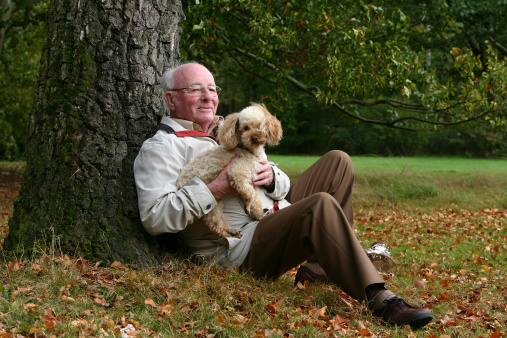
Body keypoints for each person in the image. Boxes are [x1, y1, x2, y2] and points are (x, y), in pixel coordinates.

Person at [133, 62, 433, 329]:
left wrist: (273, 177)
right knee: (319, 206)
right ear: (170, 99)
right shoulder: (163, 147)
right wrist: (216, 189)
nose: (208, 96)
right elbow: (155, 217)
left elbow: (279, 180)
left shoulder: (231, 129)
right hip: (240, 247)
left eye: (212, 88)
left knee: (338, 161)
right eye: (195, 89)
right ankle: (380, 298)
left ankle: (316, 268)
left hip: (273, 213)